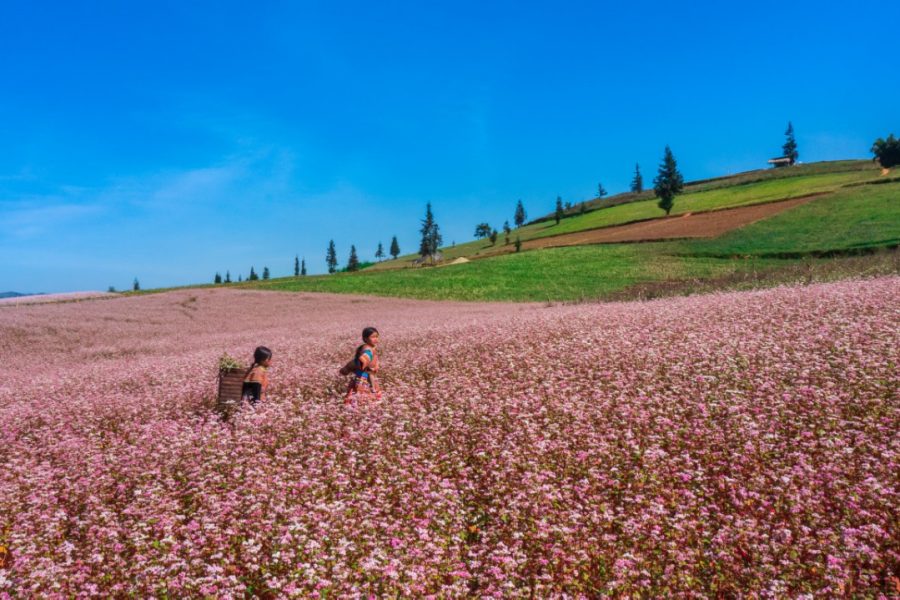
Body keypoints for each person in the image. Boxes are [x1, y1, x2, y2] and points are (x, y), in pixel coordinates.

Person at [340, 327, 381, 402]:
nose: (376, 339)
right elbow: (361, 362)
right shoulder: (368, 350)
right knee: (363, 402)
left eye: (377, 336)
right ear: (365, 339)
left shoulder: (369, 348)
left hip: (365, 380)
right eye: (373, 337)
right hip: (364, 381)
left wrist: (347, 368)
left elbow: (356, 362)